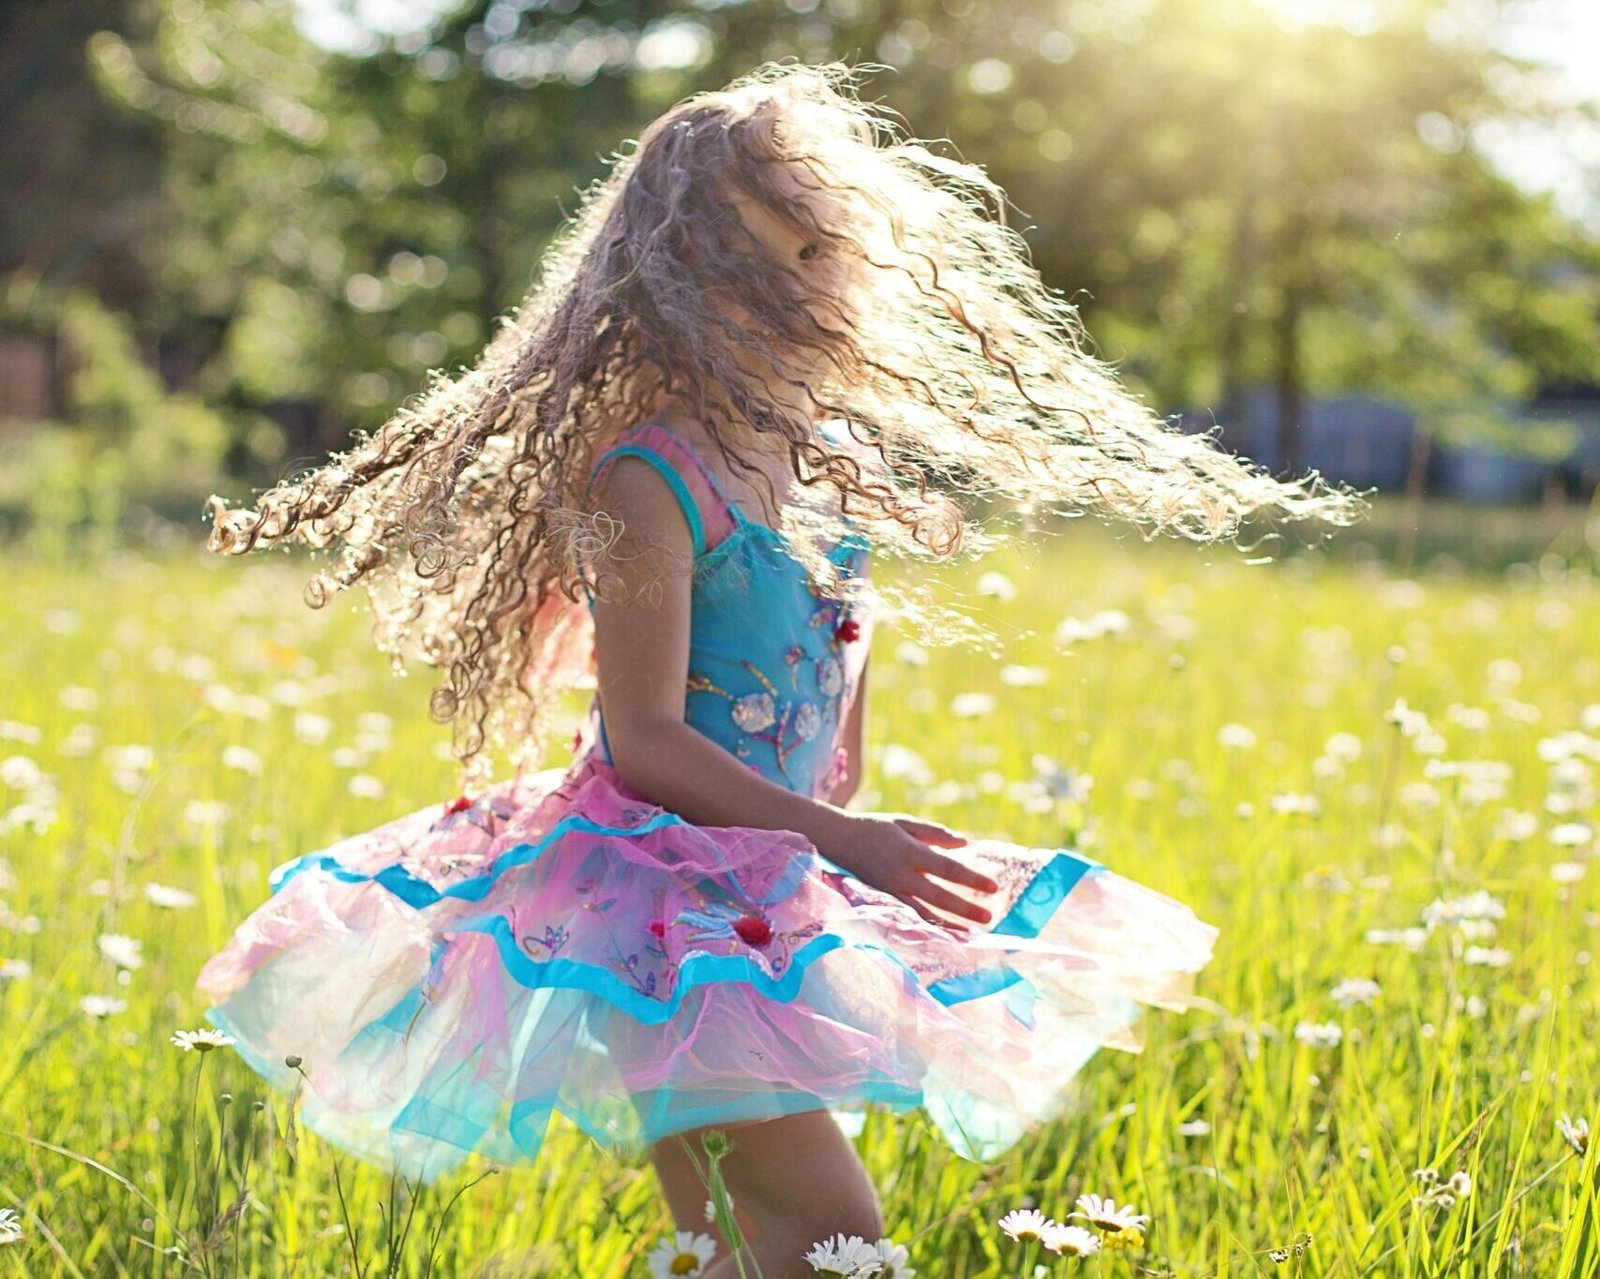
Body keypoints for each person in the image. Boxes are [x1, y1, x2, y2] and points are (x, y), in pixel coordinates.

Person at [197, 61, 1366, 1277]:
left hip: (763, 883)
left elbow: (828, 671)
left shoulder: (818, 462)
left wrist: (841, 800)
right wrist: (836, 832)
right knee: (832, 1231)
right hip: (656, 904)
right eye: (763, 266)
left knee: (731, 1241)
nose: (805, 293)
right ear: (677, 284)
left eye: (822, 256)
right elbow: (645, 738)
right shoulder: (644, 479)